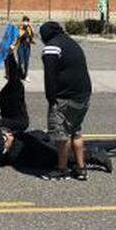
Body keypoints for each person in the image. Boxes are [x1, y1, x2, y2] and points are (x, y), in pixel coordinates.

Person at [40, 20, 92, 181]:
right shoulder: (71, 43)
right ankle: (81, 168)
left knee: (61, 136)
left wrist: (51, 98)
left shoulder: (52, 47)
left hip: (65, 97)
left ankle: (62, 169)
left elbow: (50, 76)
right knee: (76, 131)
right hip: (83, 95)